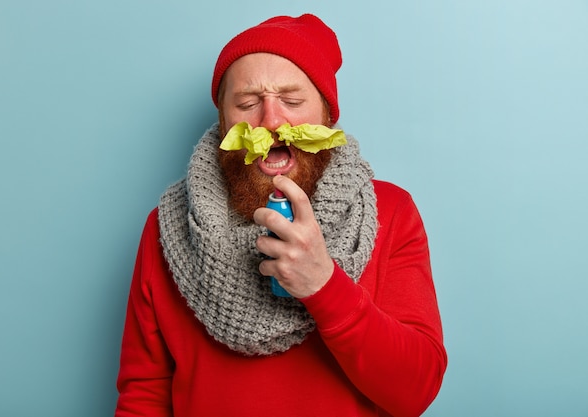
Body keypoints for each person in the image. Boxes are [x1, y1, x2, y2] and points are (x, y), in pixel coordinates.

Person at [115, 13, 447, 417]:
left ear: (326, 116)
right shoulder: (168, 228)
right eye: (247, 103)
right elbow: (145, 394)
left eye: (291, 101)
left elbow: (415, 391)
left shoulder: (390, 212)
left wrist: (324, 284)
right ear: (223, 124)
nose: (271, 121)